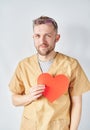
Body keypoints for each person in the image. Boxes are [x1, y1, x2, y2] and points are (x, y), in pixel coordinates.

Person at [9, 16, 90, 130]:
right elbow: (14, 100)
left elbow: (77, 103)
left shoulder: (71, 65)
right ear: (33, 37)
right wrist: (29, 97)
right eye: (38, 36)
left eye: (48, 35)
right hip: (30, 126)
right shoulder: (23, 65)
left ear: (57, 38)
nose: (42, 41)